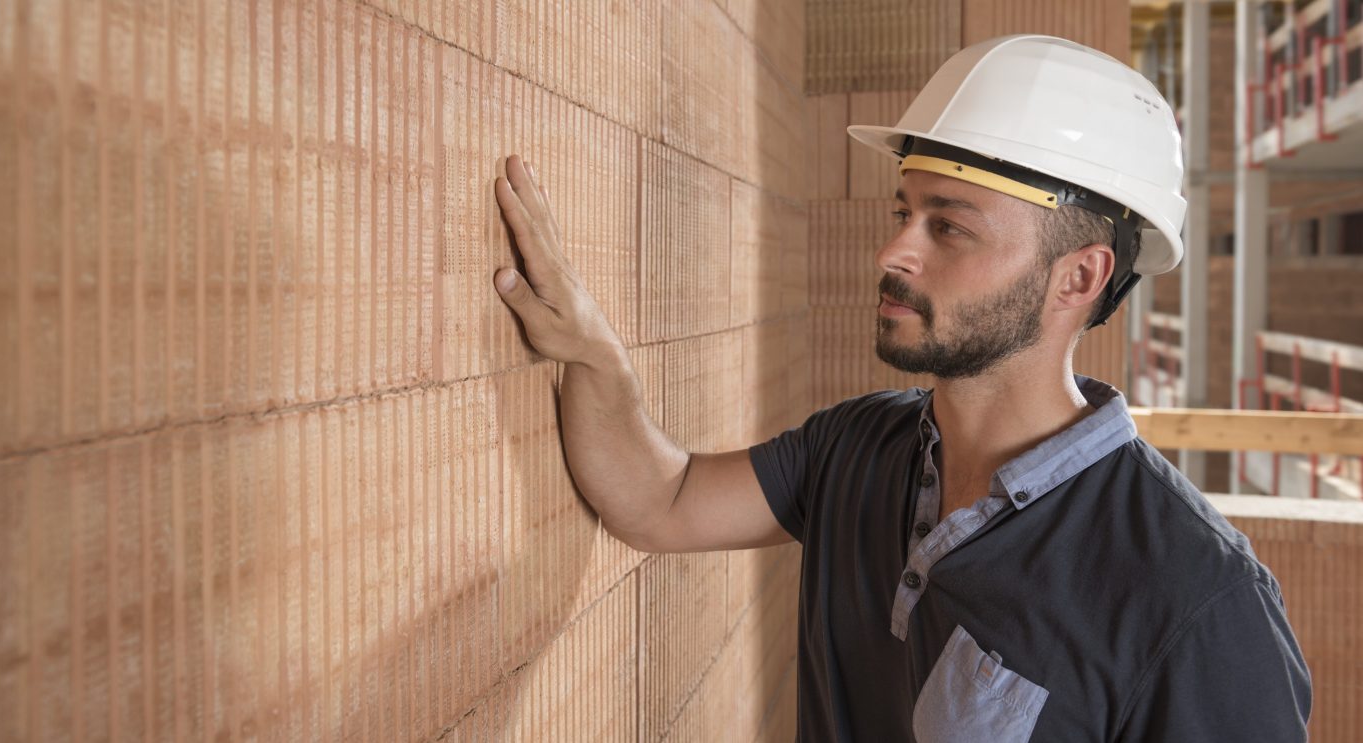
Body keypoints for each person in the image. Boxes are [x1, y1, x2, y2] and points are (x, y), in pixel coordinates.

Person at [490, 34, 1311, 742]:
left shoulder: (1199, 600)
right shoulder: (858, 447)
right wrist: (596, 357)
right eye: (903, 212)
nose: (894, 252)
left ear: (1079, 277)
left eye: (947, 226)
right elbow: (660, 499)